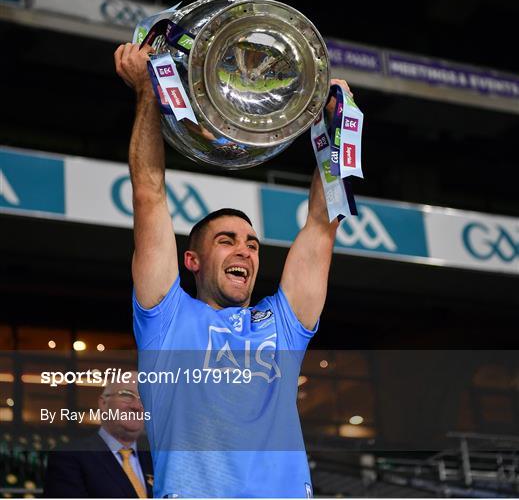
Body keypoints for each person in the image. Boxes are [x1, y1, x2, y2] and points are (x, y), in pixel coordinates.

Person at [114, 42, 351, 498]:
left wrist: (331, 131)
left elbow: (323, 225)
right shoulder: (165, 318)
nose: (244, 251)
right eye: (226, 241)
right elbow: (148, 192)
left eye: (252, 244)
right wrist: (147, 90)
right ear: (193, 260)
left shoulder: (280, 325)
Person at [44, 371, 153, 498]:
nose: (137, 406)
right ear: (103, 403)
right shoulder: (69, 457)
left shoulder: (155, 458)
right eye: (127, 395)